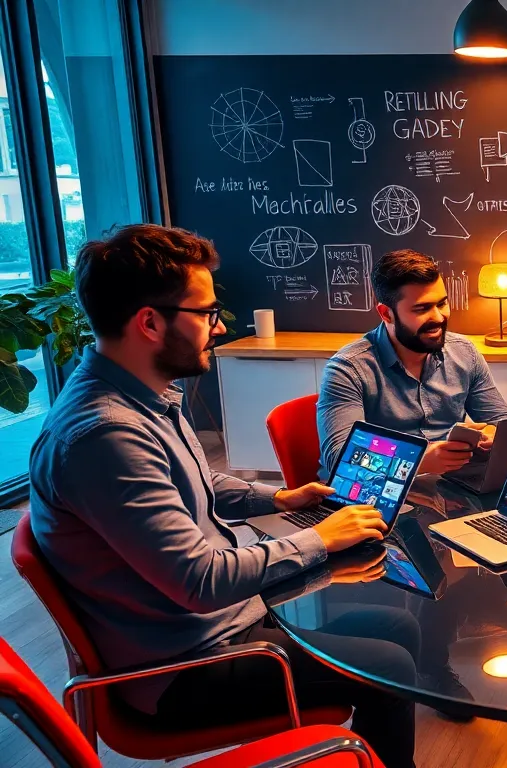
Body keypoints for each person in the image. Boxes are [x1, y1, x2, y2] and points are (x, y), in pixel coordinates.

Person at [28, 225, 419, 768]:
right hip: (184, 668)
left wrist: (279, 499)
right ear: (149, 322)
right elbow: (201, 580)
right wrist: (318, 538)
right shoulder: (104, 437)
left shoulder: (144, 394)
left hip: (220, 626)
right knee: (392, 669)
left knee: (398, 625)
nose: (216, 327)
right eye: (206, 313)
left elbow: (198, 483)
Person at [318, 249, 507, 478]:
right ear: (386, 314)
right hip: (371, 496)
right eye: (422, 309)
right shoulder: (347, 369)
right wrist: (419, 461)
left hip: (446, 490)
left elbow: (506, 425)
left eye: (442, 304)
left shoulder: (464, 353)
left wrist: (493, 434)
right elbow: (340, 457)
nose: (439, 318)